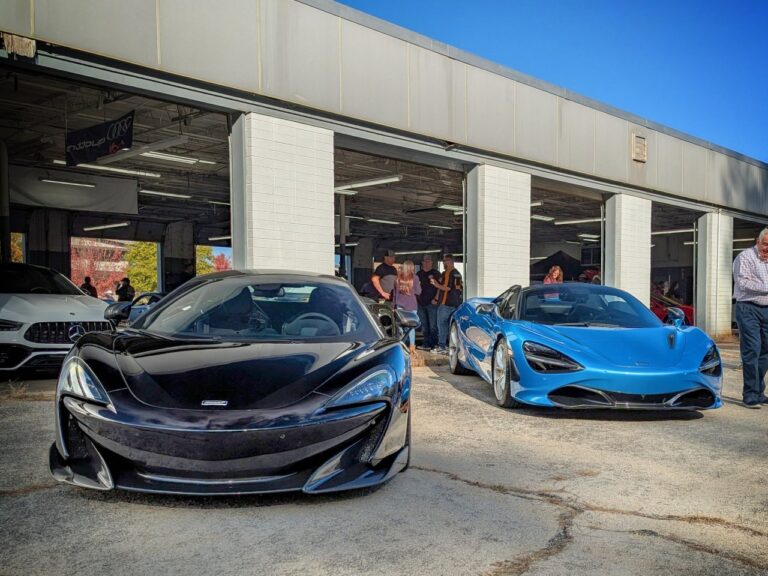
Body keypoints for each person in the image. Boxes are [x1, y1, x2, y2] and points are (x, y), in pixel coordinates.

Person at [733, 228, 768, 408]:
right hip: (748, 308)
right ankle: (750, 395)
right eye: (765, 244)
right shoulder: (745, 257)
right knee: (752, 349)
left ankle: (759, 391)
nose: (767, 249)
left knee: (765, 351)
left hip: (767, 308)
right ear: (758, 241)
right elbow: (743, 283)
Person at [430, 254, 463, 354]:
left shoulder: (448, 273)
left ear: (451, 261)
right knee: (451, 326)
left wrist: (435, 284)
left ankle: (442, 346)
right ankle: (451, 346)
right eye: (443, 261)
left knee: (442, 325)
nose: (444, 263)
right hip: (456, 304)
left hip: (446, 303)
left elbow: (446, 288)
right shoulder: (458, 273)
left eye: (445, 261)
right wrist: (436, 298)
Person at [392, 260, 422, 356]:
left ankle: (401, 346)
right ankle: (412, 347)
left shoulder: (398, 279)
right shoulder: (415, 278)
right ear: (412, 268)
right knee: (411, 327)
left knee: (400, 326)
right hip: (412, 305)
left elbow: (395, 295)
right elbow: (418, 292)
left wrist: (394, 307)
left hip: (400, 306)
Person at [416, 255, 441, 350]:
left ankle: (434, 345)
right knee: (424, 325)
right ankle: (426, 344)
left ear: (432, 262)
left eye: (429, 261)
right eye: (425, 261)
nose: (427, 262)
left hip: (432, 304)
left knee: (433, 325)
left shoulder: (436, 273)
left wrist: (436, 298)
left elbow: (440, 287)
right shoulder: (418, 274)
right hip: (420, 303)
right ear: (422, 262)